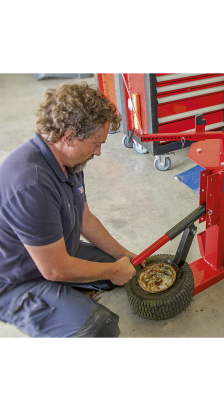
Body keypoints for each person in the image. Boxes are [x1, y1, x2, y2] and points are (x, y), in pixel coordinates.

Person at [0, 82, 145, 338]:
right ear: (68, 136)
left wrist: (125, 255)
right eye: (96, 143)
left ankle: (71, 294)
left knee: (129, 269)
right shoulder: (31, 183)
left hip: (59, 251)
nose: (99, 152)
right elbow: (54, 269)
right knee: (100, 329)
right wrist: (112, 271)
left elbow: (84, 219)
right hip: (20, 281)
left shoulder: (69, 162)